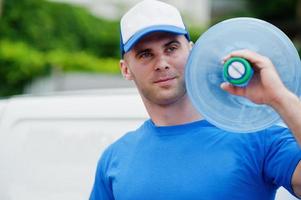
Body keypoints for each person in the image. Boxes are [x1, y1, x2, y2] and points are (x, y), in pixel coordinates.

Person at [90, 0, 301, 199]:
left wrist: (280, 98)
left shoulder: (257, 138)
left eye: (171, 48)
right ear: (125, 69)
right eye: (145, 54)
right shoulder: (114, 158)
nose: (162, 63)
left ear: (192, 51)